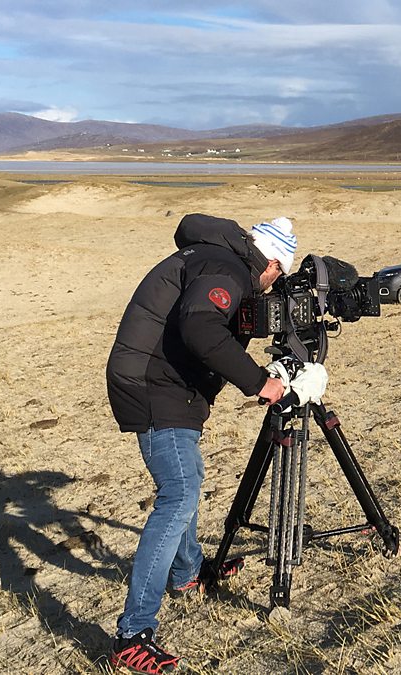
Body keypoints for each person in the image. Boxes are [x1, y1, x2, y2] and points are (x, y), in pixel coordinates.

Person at [105, 213, 303, 674]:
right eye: (277, 277)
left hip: (163, 381)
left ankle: (187, 574)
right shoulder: (227, 268)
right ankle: (132, 634)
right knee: (178, 495)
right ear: (272, 263)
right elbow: (201, 327)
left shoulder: (215, 257)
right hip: (155, 385)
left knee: (188, 479)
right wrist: (260, 383)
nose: (272, 288)